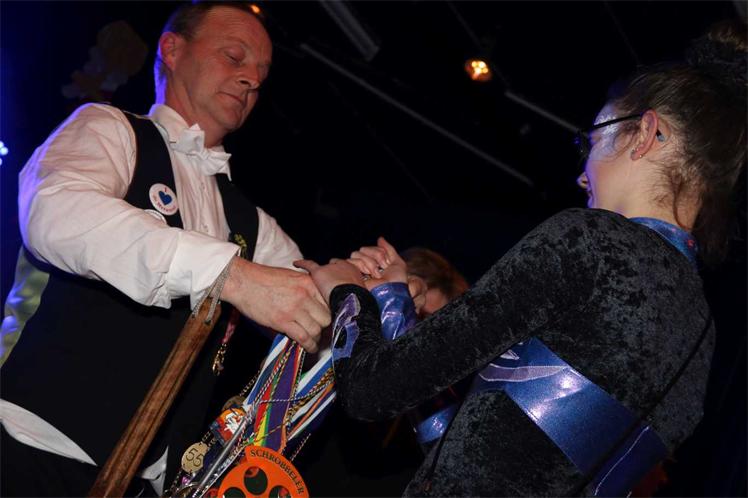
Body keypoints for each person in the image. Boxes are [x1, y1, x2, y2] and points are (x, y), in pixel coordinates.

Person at [296, 20, 746, 496]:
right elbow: (481, 451)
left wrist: (346, 293)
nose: (582, 175)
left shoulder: (590, 241)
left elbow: (370, 392)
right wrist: (393, 303)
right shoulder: (703, 338)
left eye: (591, 140)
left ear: (645, 133)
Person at [0, 2, 331, 496]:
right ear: (173, 51)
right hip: (31, 444)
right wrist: (230, 275)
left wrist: (363, 289)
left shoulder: (250, 220)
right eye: (234, 56)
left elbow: (311, 305)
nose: (251, 79)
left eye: (261, 74)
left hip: (146, 481)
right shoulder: (110, 128)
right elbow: (56, 213)